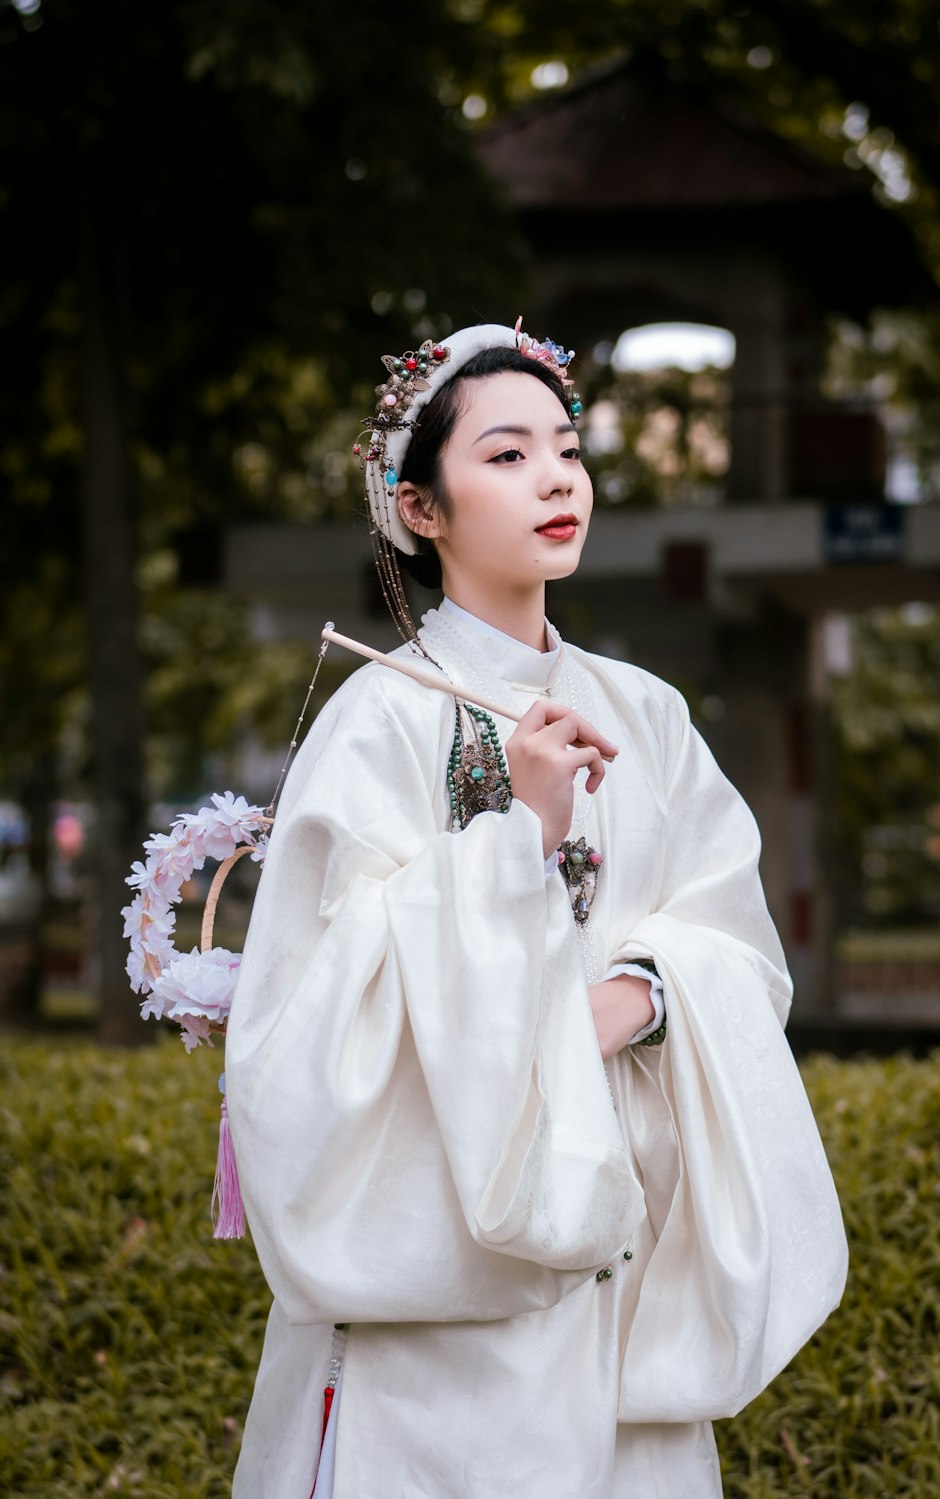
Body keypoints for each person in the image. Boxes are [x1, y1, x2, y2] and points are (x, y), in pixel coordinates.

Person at [225, 321, 848, 1499]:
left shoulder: (648, 711)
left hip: (617, 1246)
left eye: (566, 448)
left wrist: (636, 997)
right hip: (440, 1271)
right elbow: (310, 1001)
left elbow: (733, 939)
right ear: (421, 509)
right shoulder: (379, 721)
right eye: (505, 456)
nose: (557, 477)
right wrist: (521, 832)